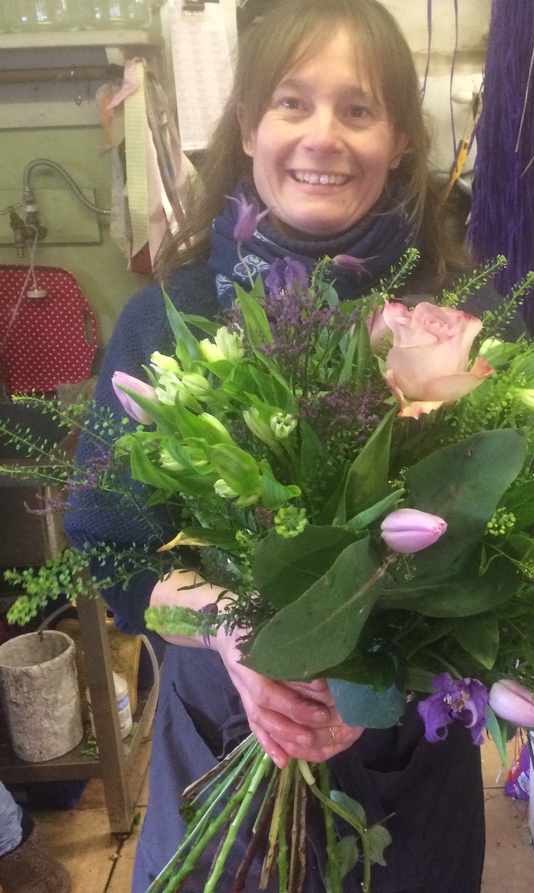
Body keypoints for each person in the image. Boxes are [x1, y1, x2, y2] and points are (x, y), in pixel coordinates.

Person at [65, 1, 493, 890]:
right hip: (221, 737)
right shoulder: (167, 321)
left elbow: (506, 565)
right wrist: (234, 634)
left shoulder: (461, 327)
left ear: (401, 140)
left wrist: (374, 681)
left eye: (358, 109)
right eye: (292, 103)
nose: (322, 136)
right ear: (248, 125)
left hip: (406, 760)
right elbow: (115, 548)